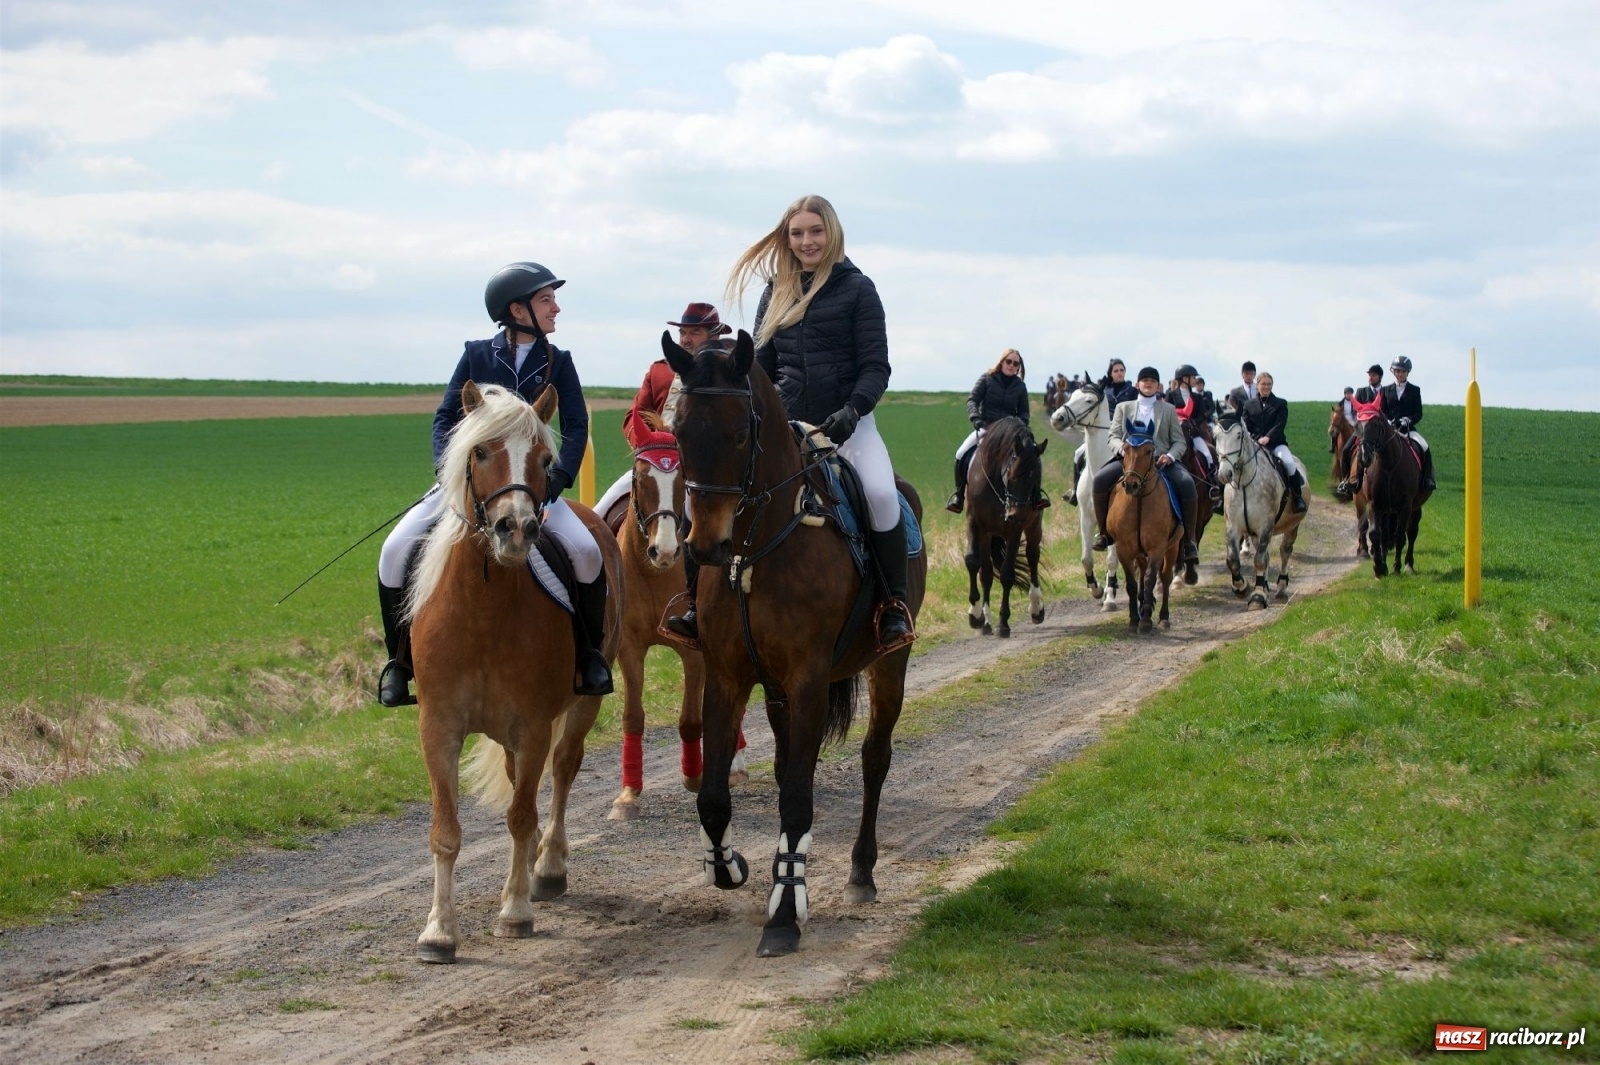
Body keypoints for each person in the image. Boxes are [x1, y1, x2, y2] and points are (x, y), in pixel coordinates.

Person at [375, 261, 613, 707]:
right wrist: (448, 474)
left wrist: (558, 480)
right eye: (546, 300)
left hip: (535, 488)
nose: (556, 308)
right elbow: (445, 418)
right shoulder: (477, 355)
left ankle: (589, 654)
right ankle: (399, 662)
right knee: (394, 550)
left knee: (586, 552)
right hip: (472, 488)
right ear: (517, 310)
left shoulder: (559, 362)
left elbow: (576, 426)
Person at [728, 194, 913, 649]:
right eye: (797, 233)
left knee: (880, 494)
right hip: (788, 428)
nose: (806, 241)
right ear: (787, 238)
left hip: (848, 425)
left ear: (832, 233)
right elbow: (763, 368)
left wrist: (853, 409)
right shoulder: (775, 290)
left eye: (815, 231)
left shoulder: (859, 289)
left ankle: (892, 604)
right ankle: (702, 606)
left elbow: (876, 366)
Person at [629, 303, 733, 643]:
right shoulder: (659, 371)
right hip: (654, 463)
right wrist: (648, 446)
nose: (686, 339)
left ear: (712, 335)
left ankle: (697, 603)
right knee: (602, 512)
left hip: (698, 471)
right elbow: (634, 416)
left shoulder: (722, 374)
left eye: (695, 332)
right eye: (683, 333)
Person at [1088, 366, 1201, 577]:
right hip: (1130, 461)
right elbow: (1113, 436)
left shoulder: (1168, 409)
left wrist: (1170, 456)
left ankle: (1189, 541)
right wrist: (1121, 448)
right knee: (1100, 480)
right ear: (1137, 384)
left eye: (1152, 381)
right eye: (1144, 380)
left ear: (1158, 386)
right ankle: (1103, 533)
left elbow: (1179, 441)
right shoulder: (1123, 407)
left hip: (1161, 461)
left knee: (1187, 484)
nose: (1148, 383)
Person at [946, 348, 1042, 514]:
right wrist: (975, 418)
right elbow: (972, 400)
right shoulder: (987, 378)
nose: (1011, 365)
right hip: (986, 428)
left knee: (1034, 457)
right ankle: (959, 495)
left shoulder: (1020, 386)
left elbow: (1024, 413)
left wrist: (1020, 426)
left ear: (1019, 367)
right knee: (961, 454)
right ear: (1002, 362)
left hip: (1010, 434)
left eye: (1016, 364)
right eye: (1009, 361)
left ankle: (1036, 497)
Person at [1066, 358, 1137, 506]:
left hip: (1124, 432)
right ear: (1110, 373)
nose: (1119, 373)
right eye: (1116, 371)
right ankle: (1075, 490)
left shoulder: (1132, 391)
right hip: (1104, 431)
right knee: (1078, 454)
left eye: (1122, 370)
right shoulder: (1104, 392)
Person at [1242, 371, 1308, 513]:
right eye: (1263, 384)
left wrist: (1268, 438)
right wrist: (1256, 439)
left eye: (1269, 384)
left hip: (1276, 444)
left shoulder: (1280, 403)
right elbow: (1247, 426)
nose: (1266, 387)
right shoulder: (1248, 405)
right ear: (1257, 385)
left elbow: (1280, 424)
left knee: (1289, 463)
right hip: (1255, 444)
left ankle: (1297, 497)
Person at [1379, 355, 1435, 490]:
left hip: (1407, 429)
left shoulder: (1415, 390)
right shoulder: (1385, 390)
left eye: (1403, 371)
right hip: (1389, 429)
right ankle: (1359, 478)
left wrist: (1408, 420)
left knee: (1424, 446)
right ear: (1393, 372)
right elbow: (1381, 410)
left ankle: (1427, 478)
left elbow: (1418, 412)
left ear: (1407, 372)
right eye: (1397, 371)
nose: (1400, 374)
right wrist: (1387, 421)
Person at [1167, 363, 1220, 501]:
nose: (1195, 380)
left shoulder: (1197, 397)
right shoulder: (1171, 395)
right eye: (1193, 377)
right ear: (1185, 378)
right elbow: (1167, 413)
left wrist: (1191, 423)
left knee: (1208, 455)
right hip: (1175, 435)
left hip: (1193, 433)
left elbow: (1201, 415)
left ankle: (1212, 484)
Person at [1334, 364, 1385, 498]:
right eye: (1369, 375)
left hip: (1380, 430)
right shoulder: (1361, 392)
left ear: (1380, 377)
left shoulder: (1385, 392)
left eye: (1373, 375)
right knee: (1346, 450)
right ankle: (1346, 481)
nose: (1370, 377)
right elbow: (1355, 410)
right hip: (1362, 429)